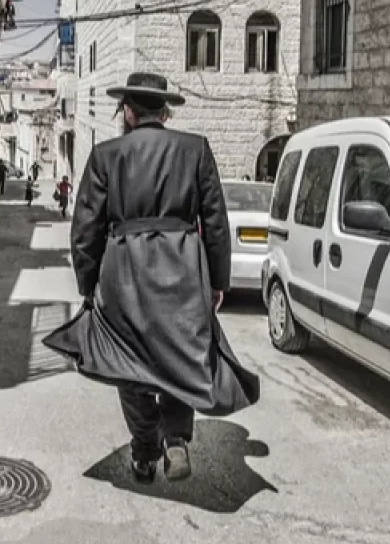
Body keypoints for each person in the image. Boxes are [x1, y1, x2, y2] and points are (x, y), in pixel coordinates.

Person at [42, 73, 260, 483]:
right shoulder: (195, 150)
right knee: (183, 354)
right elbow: (215, 222)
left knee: (131, 361)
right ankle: (175, 437)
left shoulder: (107, 155)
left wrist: (88, 287)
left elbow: (85, 229)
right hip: (183, 271)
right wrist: (217, 282)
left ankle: (144, 451)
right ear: (164, 111)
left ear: (128, 111)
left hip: (125, 275)